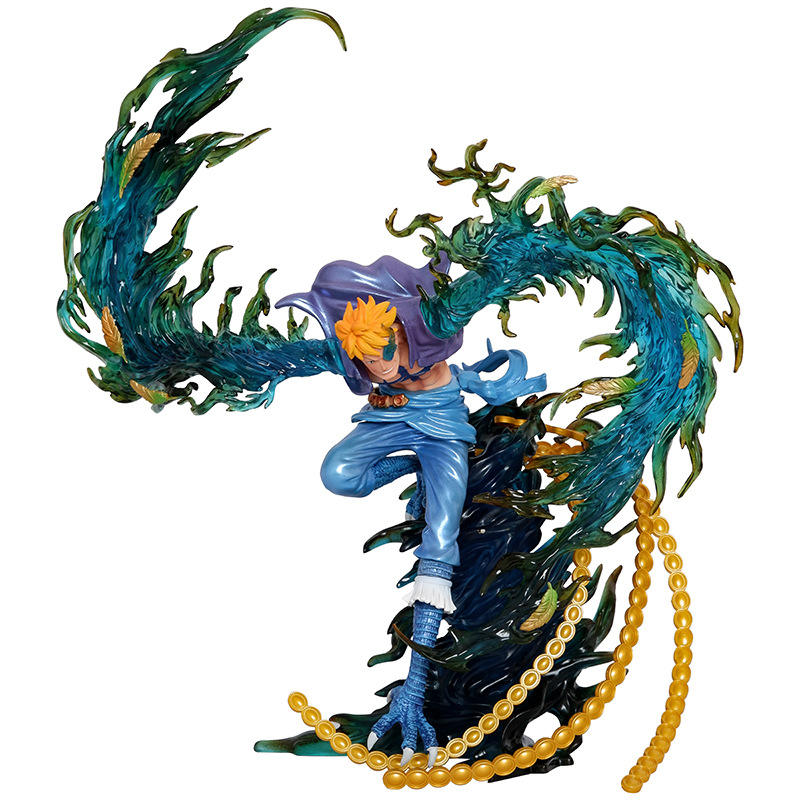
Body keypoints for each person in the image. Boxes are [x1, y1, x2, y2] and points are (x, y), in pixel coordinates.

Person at [276, 257, 546, 765]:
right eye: (366, 362)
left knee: (440, 538)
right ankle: (412, 465)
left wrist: (481, 385)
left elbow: (461, 331)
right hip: (388, 420)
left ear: (399, 333)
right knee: (338, 474)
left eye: (382, 355)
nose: (378, 368)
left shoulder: (428, 328)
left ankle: (415, 689)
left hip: (442, 425)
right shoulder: (359, 354)